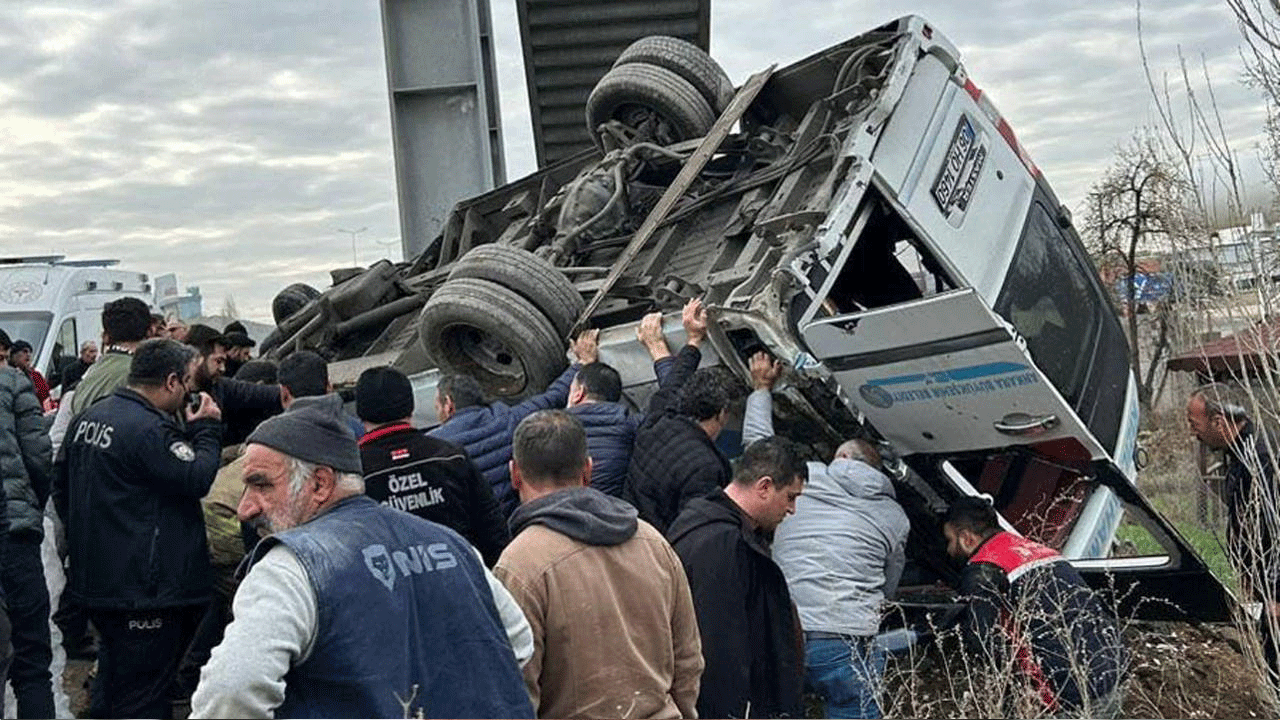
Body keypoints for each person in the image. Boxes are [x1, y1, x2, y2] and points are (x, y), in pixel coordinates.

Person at [190, 396, 535, 719]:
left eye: (261, 484)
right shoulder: (453, 544)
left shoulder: (291, 567)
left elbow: (232, 691)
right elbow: (518, 642)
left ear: (320, 484)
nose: (245, 508)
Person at [494, 410, 703, 718]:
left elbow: (517, 688)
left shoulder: (519, 565)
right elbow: (688, 657)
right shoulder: (652, 541)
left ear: (515, 474)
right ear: (588, 469)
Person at [742, 352, 910, 718]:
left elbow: (757, 448)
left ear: (840, 457)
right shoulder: (895, 516)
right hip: (849, 636)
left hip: (787, 631)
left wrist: (760, 389)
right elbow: (890, 581)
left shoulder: (809, 478)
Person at [62, 339, 223, 718]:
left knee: (114, 682)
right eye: (186, 384)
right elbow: (195, 476)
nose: (188, 394)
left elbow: (61, 486)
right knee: (145, 698)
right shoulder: (150, 431)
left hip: (99, 580)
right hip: (145, 590)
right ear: (171, 382)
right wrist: (208, 431)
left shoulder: (88, 419)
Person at [943, 496, 1124, 717]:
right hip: (1113, 671)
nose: (949, 550)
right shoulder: (1036, 550)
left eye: (950, 541)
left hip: (1072, 695)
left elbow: (983, 643)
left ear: (966, 539)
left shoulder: (983, 569)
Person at [667, 437, 808, 719]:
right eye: (790, 497)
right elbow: (720, 649)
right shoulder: (724, 545)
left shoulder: (703, 528)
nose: (792, 509)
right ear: (765, 487)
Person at [430, 332, 597, 516]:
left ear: (448, 404)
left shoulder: (433, 448)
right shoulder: (509, 419)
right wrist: (582, 363)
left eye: (437, 405)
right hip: (520, 522)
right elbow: (552, 397)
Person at [356, 366, 509, 565]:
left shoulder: (353, 473)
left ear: (360, 414)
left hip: (396, 591)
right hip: (462, 580)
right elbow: (492, 529)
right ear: (411, 407)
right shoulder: (451, 456)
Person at [1186, 383, 1280, 683]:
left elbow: (1274, 528)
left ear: (1219, 421)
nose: (1193, 432)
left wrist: (1277, 595)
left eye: (1194, 424)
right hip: (1265, 587)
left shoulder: (1262, 459)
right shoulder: (1241, 453)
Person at [626, 299, 737, 533]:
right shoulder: (708, 468)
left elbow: (675, 381)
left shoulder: (657, 420)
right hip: (661, 546)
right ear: (722, 414)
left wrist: (693, 341)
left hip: (635, 527)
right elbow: (701, 531)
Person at [0, 328, 49, 717]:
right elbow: (37, 456)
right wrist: (33, 506)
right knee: (31, 659)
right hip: (12, 530)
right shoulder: (15, 384)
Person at [184, 324, 283, 445]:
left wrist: (286, 393)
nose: (222, 369)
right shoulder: (172, 394)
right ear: (197, 358)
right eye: (218, 361)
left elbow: (255, 392)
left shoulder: (219, 386)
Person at [8, 341, 50, 409]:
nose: (28, 355)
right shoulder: (6, 375)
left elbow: (45, 398)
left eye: (29, 352)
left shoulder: (36, 376)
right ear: (13, 355)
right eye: (24, 352)